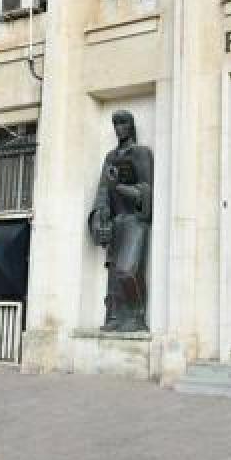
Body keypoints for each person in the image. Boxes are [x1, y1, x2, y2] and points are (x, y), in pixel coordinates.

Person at [88, 110, 154, 333]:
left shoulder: (142, 153)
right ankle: (114, 316)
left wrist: (118, 186)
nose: (119, 128)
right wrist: (100, 215)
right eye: (115, 123)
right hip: (117, 221)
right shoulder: (110, 157)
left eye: (123, 123)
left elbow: (146, 193)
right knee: (114, 275)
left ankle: (136, 315)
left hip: (135, 221)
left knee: (127, 271)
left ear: (131, 126)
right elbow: (102, 191)